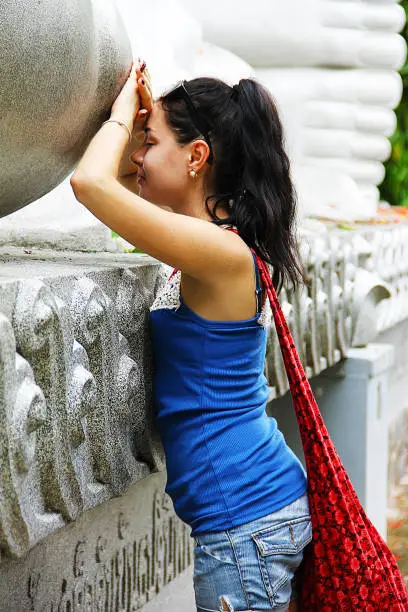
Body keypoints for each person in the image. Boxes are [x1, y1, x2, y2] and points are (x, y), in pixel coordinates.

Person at [71, 60, 312, 612]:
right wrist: (145, 128)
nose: (136, 154)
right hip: (250, 515)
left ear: (198, 156)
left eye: (148, 142)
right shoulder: (212, 245)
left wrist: (119, 115)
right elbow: (134, 182)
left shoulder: (224, 253)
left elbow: (90, 183)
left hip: (246, 527)